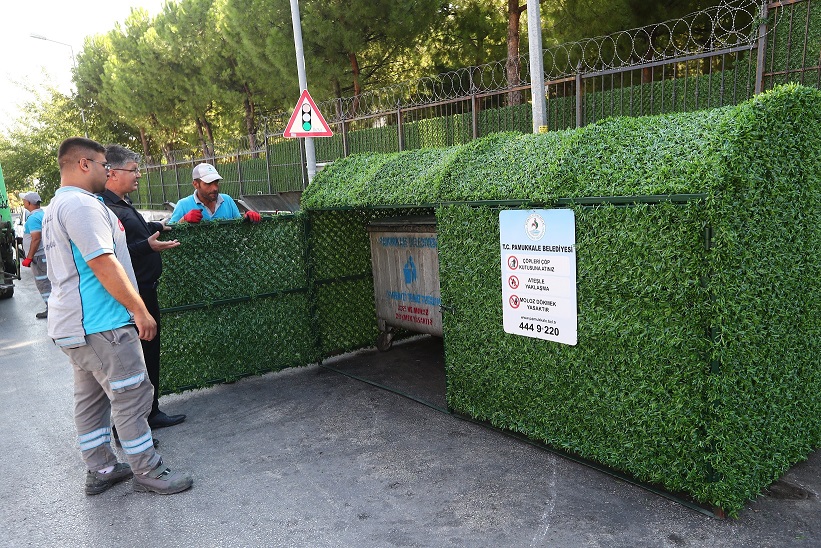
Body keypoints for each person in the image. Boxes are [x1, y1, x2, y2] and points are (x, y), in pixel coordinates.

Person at [42, 136, 193, 496]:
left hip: (74, 326)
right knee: (132, 395)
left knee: (92, 400)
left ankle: (102, 468)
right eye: (103, 165)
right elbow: (103, 263)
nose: (107, 171)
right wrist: (139, 309)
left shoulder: (56, 206)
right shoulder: (81, 205)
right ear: (84, 164)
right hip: (103, 324)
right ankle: (148, 470)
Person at [100, 144, 187, 431]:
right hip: (133, 295)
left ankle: (150, 412)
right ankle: (128, 426)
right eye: (133, 170)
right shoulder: (105, 208)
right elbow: (110, 256)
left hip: (145, 290)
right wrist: (147, 246)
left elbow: (131, 236)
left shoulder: (121, 204)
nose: (138, 175)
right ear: (112, 173)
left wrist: (155, 227)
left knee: (148, 355)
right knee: (133, 361)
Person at [168, 162, 261, 224]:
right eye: (208, 183)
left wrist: (247, 218)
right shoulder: (183, 205)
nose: (215, 188)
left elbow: (238, 226)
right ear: (195, 184)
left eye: (216, 182)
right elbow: (170, 233)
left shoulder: (227, 201)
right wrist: (184, 220)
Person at [18, 191, 51, 318]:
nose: (23, 202)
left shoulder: (33, 218)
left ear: (29, 203)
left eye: (24, 200)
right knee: (49, 282)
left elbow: (36, 238)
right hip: (44, 254)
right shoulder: (43, 214)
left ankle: (51, 309)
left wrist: (29, 257)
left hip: (39, 257)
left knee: (43, 283)